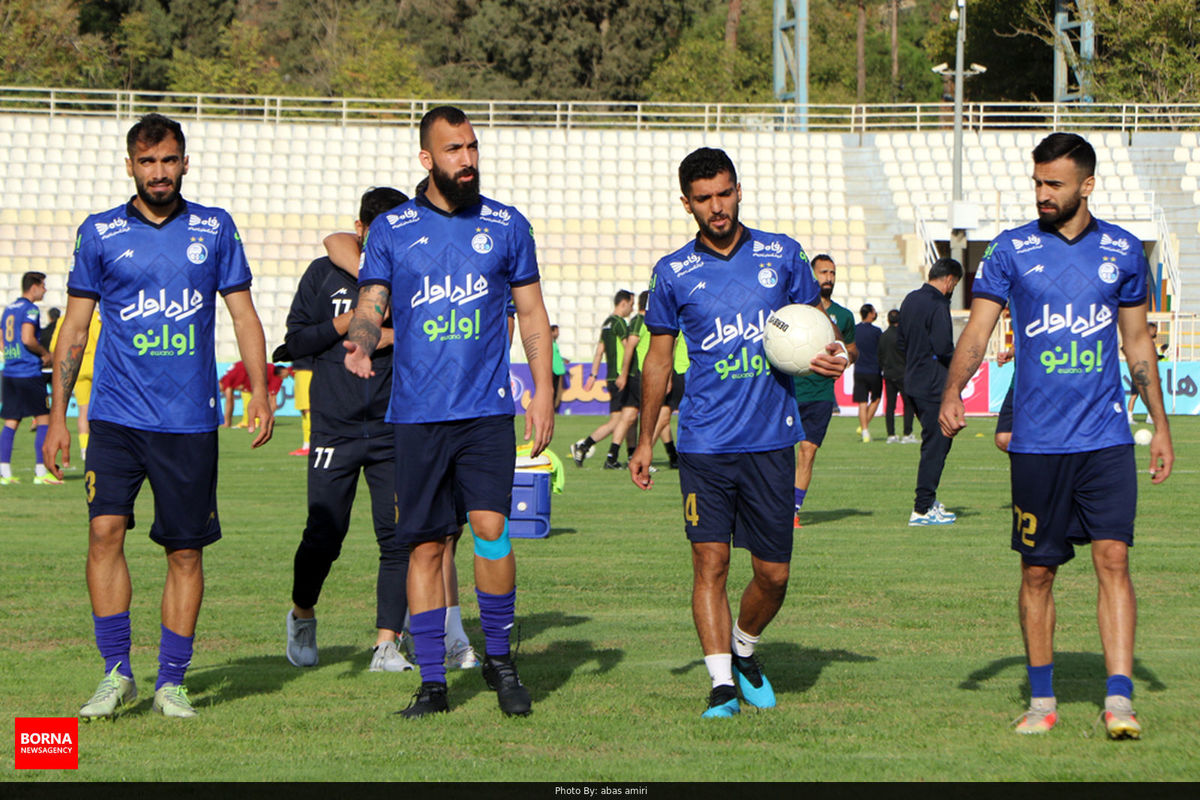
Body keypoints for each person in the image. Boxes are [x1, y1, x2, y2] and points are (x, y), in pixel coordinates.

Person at [941, 132, 1173, 740]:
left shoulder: (1123, 252)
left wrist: (1162, 426)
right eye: (1037, 183)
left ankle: (1118, 700)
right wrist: (951, 392)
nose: (1043, 193)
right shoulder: (1011, 251)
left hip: (1106, 439)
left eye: (1055, 184)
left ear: (1087, 185)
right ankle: (1042, 701)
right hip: (1038, 444)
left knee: (1114, 559)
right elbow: (978, 331)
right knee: (1038, 573)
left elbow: (1138, 342)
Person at [44, 113, 275, 721]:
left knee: (185, 552)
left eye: (168, 160)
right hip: (117, 418)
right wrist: (60, 416)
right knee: (103, 533)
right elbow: (74, 328)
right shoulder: (98, 233)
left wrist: (260, 387)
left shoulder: (215, 228)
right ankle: (116, 674)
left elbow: (244, 315)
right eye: (147, 163)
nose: (159, 173)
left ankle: (172, 680)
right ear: (130, 167)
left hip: (189, 421)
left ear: (184, 162)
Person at [344, 105, 554, 718]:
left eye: (472, 147)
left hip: (486, 412)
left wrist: (541, 388)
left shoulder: (508, 224)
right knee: (426, 547)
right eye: (453, 150)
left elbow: (533, 314)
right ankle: (432, 681)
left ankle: (501, 661)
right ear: (426, 159)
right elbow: (370, 301)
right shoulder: (392, 228)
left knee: (491, 531)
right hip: (415, 416)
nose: (467, 159)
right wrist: (359, 341)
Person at [629, 147, 848, 718]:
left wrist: (836, 353)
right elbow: (657, 362)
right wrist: (647, 436)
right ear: (687, 203)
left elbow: (816, 328)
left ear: (738, 189)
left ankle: (745, 647)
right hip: (704, 442)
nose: (716, 207)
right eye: (703, 199)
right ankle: (722, 684)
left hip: (772, 438)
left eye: (724, 193)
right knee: (711, 565)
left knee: (773, 575)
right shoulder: (673, 271)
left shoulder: (783, 254)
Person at [283, 186, 420, 674]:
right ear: (361, 230)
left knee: (398, 536)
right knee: (325, 535)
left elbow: (428, 335)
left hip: (393, 425)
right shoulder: (324, 274)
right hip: (334, 428)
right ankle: (302, 613)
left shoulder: (415, 277)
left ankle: (387, 644)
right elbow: (294, 340)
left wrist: (382, 333)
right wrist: (345, 325)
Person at [791, 254, 858, 526]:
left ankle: (792, 511)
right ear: (811, 275)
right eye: (823, 273)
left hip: (820, 395)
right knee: (780, 454)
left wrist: (845, 359)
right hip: (789, 392)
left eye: (832, 273)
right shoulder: (794, 311)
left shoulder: (843, 316)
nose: (828, 278)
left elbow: (852, 350)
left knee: (808, 452)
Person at [898, 257, 962, 526]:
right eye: (955, 284)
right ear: (949, 280)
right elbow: (943, 346)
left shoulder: (910, 299)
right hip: (933, 384)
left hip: (912, 380)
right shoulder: (937, 304)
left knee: (934, 441)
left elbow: (901, 342)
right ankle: (922, 508)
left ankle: (928, 501)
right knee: (937, 443)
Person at [1, 271, 56, 485]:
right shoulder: (30, 309)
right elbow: (27, 338)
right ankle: (41, 473)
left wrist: (12, 356)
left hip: (11, 372)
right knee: (44, 418)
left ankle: (4, 474)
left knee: (11, 422)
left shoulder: (9, 309)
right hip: (29, 373)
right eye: (43, 285)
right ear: (33, 285)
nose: (45, 289)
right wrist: (45, 354)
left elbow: (2, 340)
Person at [571, 290, 636, 469]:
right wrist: (627, 372)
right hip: (621, 377)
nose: (632, 309)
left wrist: (593, 374)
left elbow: (599, 351)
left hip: (610, 377)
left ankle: (623, 456)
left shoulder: (607, 323)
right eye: (631, 304)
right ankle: (586, 447)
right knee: (621, 420)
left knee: (626, 419)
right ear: (623, 303)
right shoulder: (619, 323)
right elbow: (628, 348)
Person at [49, 308, 102, 464]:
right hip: (96, 367)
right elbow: (100, 341)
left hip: (77, 368)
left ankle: (85, 449)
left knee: (83, 411)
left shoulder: (64, 319)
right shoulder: (96, 317)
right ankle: (101, 447)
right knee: (102, 410)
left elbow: (54, 347)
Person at [878, 308, 914, 444]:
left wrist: (884, 368)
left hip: (889, 374)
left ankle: (891, 434)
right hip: (904, 374)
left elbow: (880, 355)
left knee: (890, 406)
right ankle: (907, 433)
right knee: (908, 404)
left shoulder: (883, 336)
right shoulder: (904, 336)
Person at [853, 303, 882, 443]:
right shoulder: (877, 332)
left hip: (859, 369)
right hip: (874, 369)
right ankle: (864, 426)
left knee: (862, 402)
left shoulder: (855, 330)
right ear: (870, 313)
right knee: (876, 399)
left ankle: (864, 430)